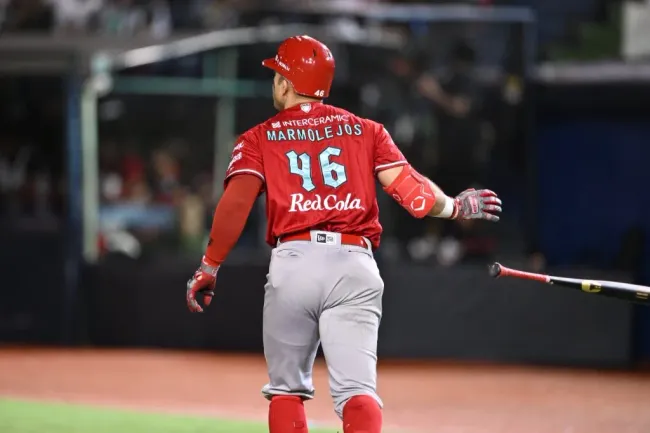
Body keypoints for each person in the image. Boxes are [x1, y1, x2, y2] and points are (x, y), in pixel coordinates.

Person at [185, 35, 502, 433]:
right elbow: (415, 195)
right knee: (358, 392)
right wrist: (455, 206)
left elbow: (234, 206)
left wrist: (209, 265)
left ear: (285, 82)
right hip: (355, 264)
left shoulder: (258, 138)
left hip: (294, 263)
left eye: (275, 75)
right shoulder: (366, 130)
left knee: (287, 392)